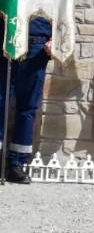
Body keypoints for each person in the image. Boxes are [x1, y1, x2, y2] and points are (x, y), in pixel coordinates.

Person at [0, 16, 53, 184]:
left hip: (37, 45)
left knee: (28, 107)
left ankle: (16, 164)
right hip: (5, 37)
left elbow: (62, 7)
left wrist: (56, 39)